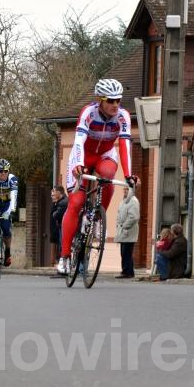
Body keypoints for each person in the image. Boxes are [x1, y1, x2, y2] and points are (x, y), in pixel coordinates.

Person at [57, 78, 138, 275]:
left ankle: (97, 217)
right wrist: (78, 164)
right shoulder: (88, 113)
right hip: (83, 156)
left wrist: (129, 175)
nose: (115, 105)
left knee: (108, 175)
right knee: (76, 203)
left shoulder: (123, 116)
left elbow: (125, 145)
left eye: (118, 100)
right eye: (110, 100)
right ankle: (64, 256)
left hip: (105, 155)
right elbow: (78, 141)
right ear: (100, 100)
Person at [115, 184, 140, 278]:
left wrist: (125, 226)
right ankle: (128, 271)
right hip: (124, 230)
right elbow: (119, 214)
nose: (124, 191)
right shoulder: (124, 200)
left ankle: (127, 272)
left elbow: (134, 217)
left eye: (127, 189)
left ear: (131, 190)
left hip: (128, 230)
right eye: (124, 189)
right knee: (124, 252)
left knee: (126, 252)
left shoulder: (133, 201)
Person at [50, 186, 68, 266]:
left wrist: (55, 214)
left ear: (58, 192)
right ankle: (58, 263)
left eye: (54, 193)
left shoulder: (62, 202)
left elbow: (56, 215)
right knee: (59, 245)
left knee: (61, 245)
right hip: (58, 226)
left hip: (61, 226)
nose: (52, 195)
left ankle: (62, 264)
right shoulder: (59, 202)